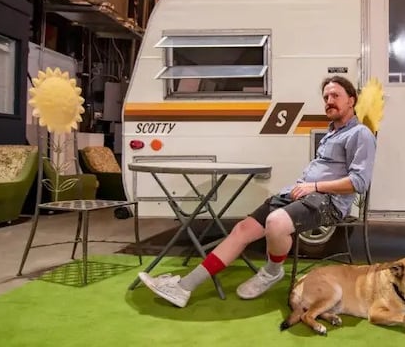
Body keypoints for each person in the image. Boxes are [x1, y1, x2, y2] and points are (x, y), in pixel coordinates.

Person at [138, 75, 377, 307]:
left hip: (330, 204)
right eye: (325, 97)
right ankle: (184, 287)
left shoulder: (360, 134)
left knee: (276, 223)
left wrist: (313, 186)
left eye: (335, 95)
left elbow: (359, 182)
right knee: (242, 229)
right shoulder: (331, 133)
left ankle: (272, 272)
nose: (329, 101)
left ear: (351, 100)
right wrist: (302, 187)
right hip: (301, 194)